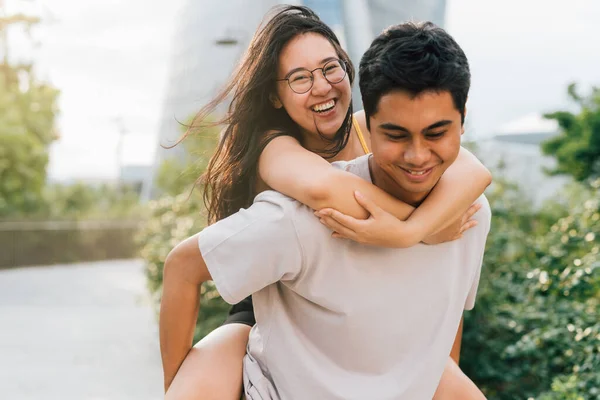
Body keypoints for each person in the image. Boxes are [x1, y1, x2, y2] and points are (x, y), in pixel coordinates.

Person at [161, 5, 490, 399]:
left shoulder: (379, 127)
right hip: (267, 305)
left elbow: (473, 172)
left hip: (363, 318)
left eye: (330, 68)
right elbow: (326, 191)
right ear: (276, 95)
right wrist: (419, 228)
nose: (321, 86)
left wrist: (420, 229)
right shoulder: (275, 148)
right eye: (299, 78)